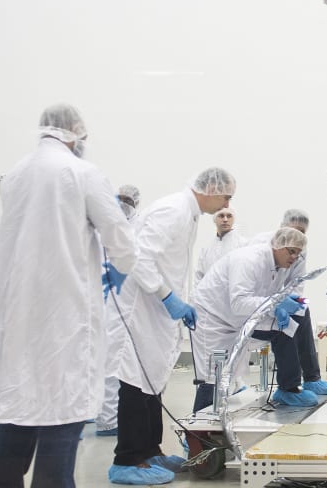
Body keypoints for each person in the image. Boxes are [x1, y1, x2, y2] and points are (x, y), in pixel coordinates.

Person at [0, 104, 138, 488]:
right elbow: (120, 238)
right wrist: (118, 269)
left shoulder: (16, 174)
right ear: (76, 135)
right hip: (64, 310)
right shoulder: (81, 172)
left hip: (17, 310)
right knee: (63, 405)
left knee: (20, 403)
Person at [107, 168, 236, 486]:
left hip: (156, 309)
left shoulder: (188, 214)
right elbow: (140, 259)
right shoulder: (175, 210)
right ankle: (126, 460)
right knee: (136, 383)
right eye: (225, 196)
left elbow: (171, 265)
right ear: (209, 190)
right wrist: (169, 299)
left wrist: (178, 300)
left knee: (152, 380)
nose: (226, 203)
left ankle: (150, 452)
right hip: (141, 308)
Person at [191, 227, 327, 413]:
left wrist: (282, 303)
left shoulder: (279, 265)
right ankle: (196, 430)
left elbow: (261, 297)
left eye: (298, 254)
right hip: (212, 318)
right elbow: (239, 302)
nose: (294, 258)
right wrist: (276, 305)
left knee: (288, 326)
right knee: (214, 375)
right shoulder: (249, 260)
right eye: (292, 252)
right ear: (278, 246)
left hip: (238, 318)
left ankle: (288, 388)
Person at [96, 184, 142, 437]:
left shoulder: (136, 228)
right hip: (102, 301)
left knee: (115, 360)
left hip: (120, 303)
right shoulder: (105, 226)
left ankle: (107, 417)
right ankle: (102, 416)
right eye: (119, 199)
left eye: (128, 200)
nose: (123, 203)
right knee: (102, 360)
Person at [195, 207, 246, 284]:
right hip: (209, 294)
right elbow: (199, 275)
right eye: (221, 216)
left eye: (229, 216)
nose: (225, 220)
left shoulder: (243, 245)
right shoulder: (206, 249)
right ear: (215, 220)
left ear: (233, 219)